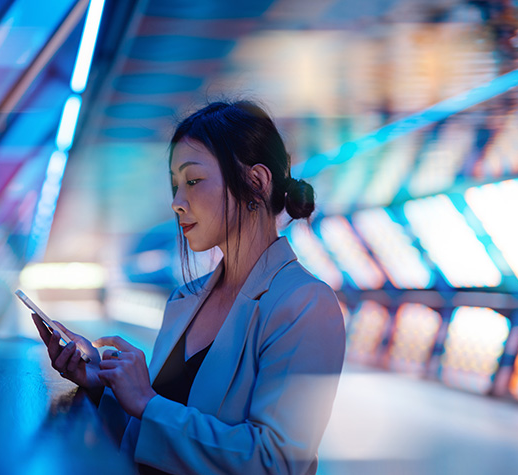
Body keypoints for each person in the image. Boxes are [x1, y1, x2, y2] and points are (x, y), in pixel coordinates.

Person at [32, 100, 346, 474]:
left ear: (256, 182)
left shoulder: (306, 304)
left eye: (193, 181)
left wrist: (146, 402)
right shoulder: (187, 298)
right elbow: (156, 432)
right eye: (175, 185)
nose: (177, 203)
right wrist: (104, 385)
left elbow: (275, 462)